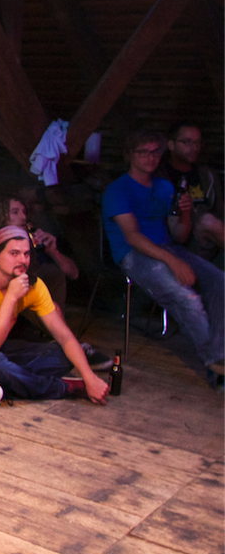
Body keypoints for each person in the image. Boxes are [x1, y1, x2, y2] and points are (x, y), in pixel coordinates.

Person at [0, 225, 111, 406]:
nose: (22, 260)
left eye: (26, 254)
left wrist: (90, 378)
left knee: (63, 355)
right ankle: (64, 387)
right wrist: (11, 297)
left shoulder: (34, 285)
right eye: (14, 254)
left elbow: (64, 336)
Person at [103, 130, 224, 388]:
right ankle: (216, 364)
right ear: (130, 155)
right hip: (132, 254)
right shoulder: (117, 190)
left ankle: (218, 356)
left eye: (155, 152)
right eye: (143, 152)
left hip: (167, 248)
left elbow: (179, 235)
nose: (151, 157)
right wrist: (173, 261)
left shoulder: (164, 187)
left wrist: (186, 213)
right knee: (187, 298)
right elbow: (132, 236)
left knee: (220, 282)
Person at [0, 195, 78, 316]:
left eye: (24, 212)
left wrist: (53, 251)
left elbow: (74, 273)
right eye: (15, 212)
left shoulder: (29, 241)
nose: (23, 217)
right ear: (0, 216)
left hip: (27, 301)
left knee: (52, 273)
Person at [157, 120, 223, 258]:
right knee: (207, 220)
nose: (194, 147)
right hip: (180, 242)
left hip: (212, 241)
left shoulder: (207, 175)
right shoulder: (160, 177)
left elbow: (220, 211)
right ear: (171, 144)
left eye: (198, 142)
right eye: (187, 142)